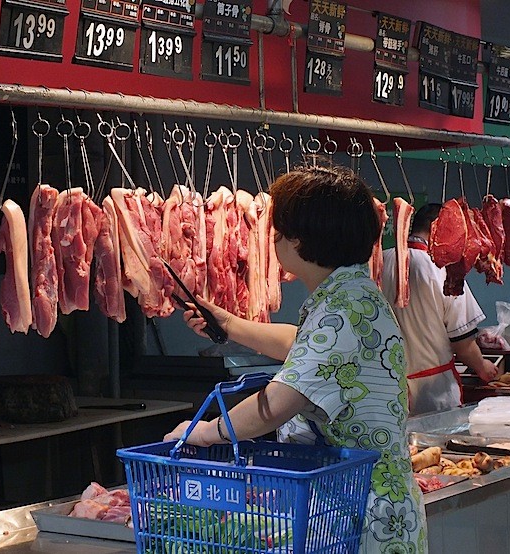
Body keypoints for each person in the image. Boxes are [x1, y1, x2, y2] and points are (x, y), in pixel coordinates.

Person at [165, 166, 426, 553]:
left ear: (301, 241)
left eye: (278, 232)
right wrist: (230, 325)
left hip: (365, 515)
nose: (274, 240)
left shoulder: (340, 310)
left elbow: (277, 404)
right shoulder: (351, 295)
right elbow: (303, 346)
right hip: (369, 502)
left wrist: (206, 431)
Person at [382, 203, 498, 415]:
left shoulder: (380, 260)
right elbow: (463, 343)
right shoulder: (443, 269)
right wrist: (482, 366)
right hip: (434, 394)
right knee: (433, 448)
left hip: (386, 394)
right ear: (438, 228)